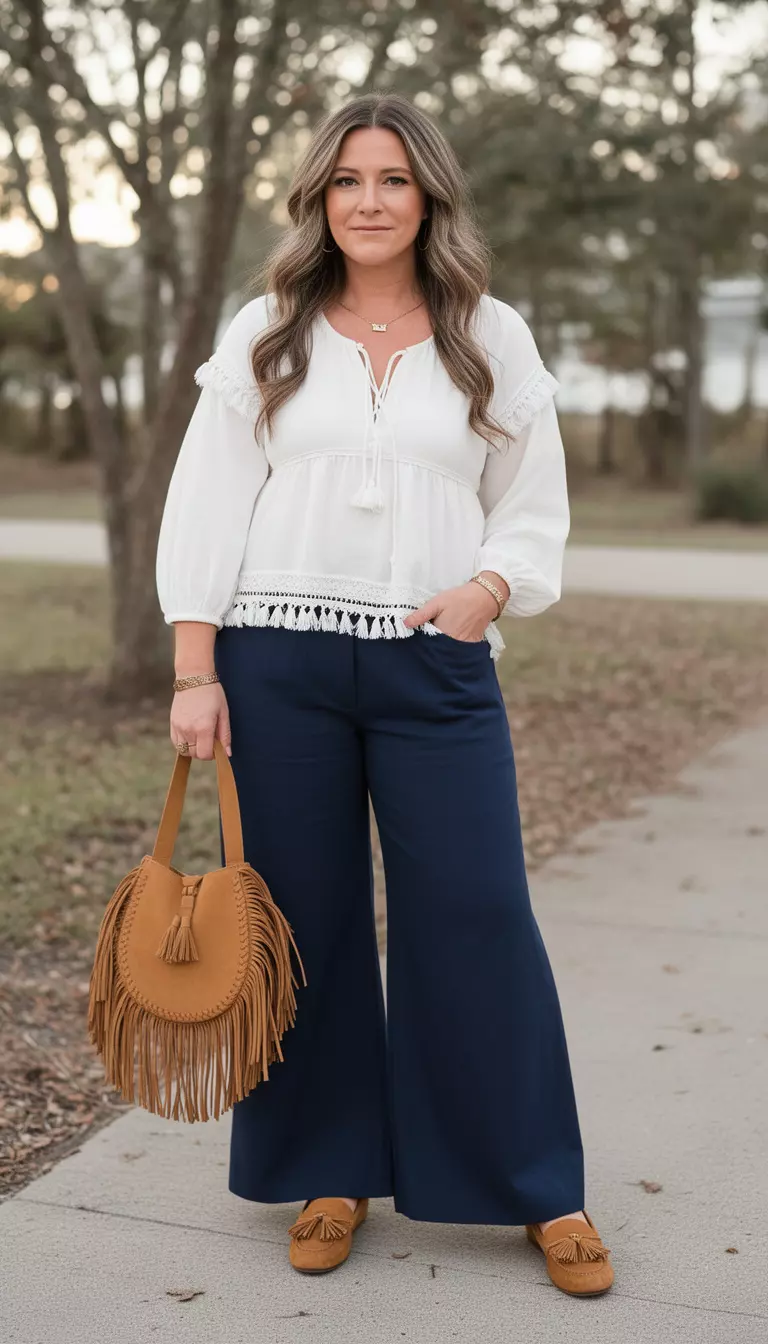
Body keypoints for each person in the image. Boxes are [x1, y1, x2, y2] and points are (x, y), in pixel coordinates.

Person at [155, 91, 614, 1298]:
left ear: (429, 199)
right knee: (301, 924)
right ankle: (328, 1170)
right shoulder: (267, 330)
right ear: (319, 197)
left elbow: (534, 497)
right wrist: (196, 669)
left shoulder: (487, 333)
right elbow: (207, 499)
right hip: (275, 662)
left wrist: (489, 589)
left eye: (394, 180)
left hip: (436, 665)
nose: (369, 200)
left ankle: (536, 1186)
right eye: (349, 179)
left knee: (476, 912)